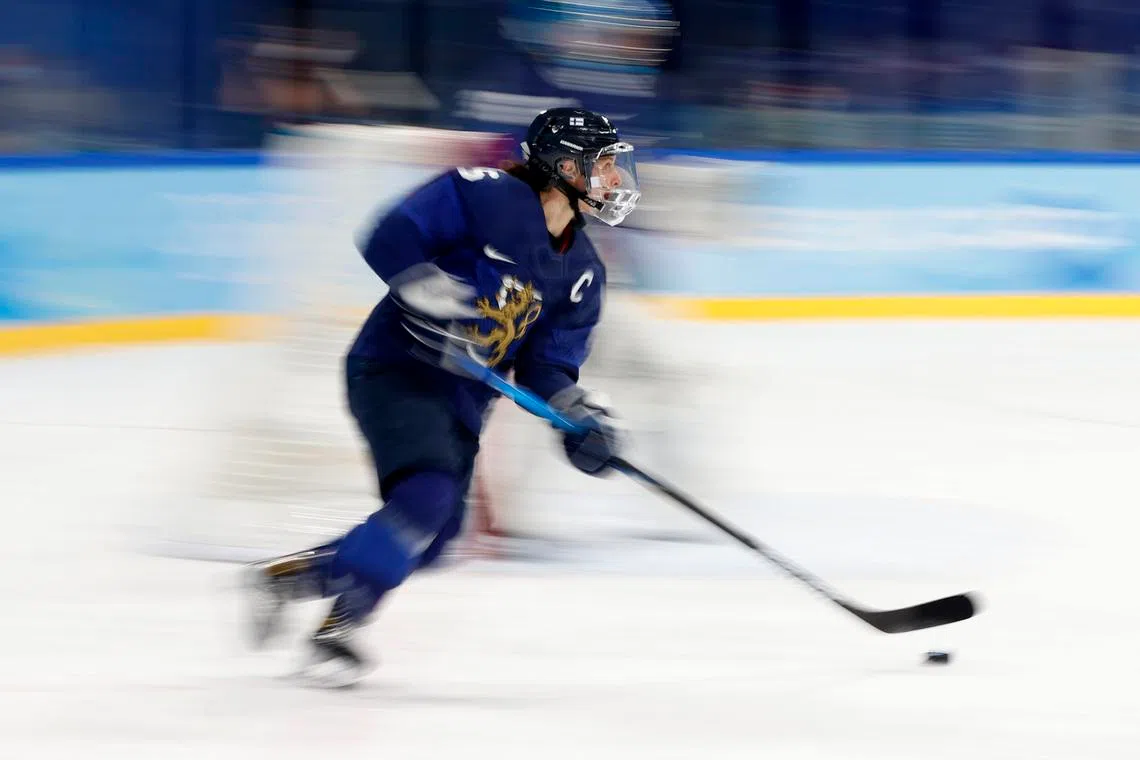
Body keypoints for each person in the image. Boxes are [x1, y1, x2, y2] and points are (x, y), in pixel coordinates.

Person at [243, 107, 642, 687]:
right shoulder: (487, 195)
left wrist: (574, 412)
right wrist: (421, 287)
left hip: (462, 398)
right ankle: (337, 629)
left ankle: (287, 577)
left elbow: (547, 366)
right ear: (563, 167)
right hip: (395, 370)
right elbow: (393, 233)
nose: (615, 177)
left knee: (434, 540)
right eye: (602, 163)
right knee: (425, 499)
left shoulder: (583, 271)